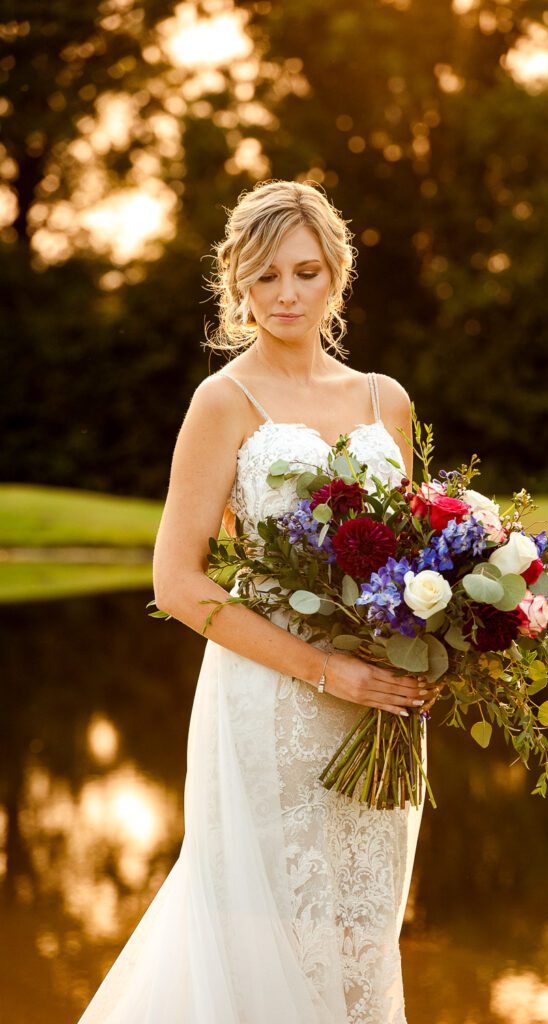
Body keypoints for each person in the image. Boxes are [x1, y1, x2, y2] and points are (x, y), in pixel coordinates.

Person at [76, 179, 442, 1024]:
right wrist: (323, 670)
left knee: (360, 930)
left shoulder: (387, 401)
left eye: (306, 273)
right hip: (270, 704)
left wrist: (430, 644)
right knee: (262, 929)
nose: (286, 295)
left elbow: (413, 565)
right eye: (265, 275)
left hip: (382, 710)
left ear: (336, 279)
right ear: (237, 283)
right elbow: (176, 584)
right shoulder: (223, 402)